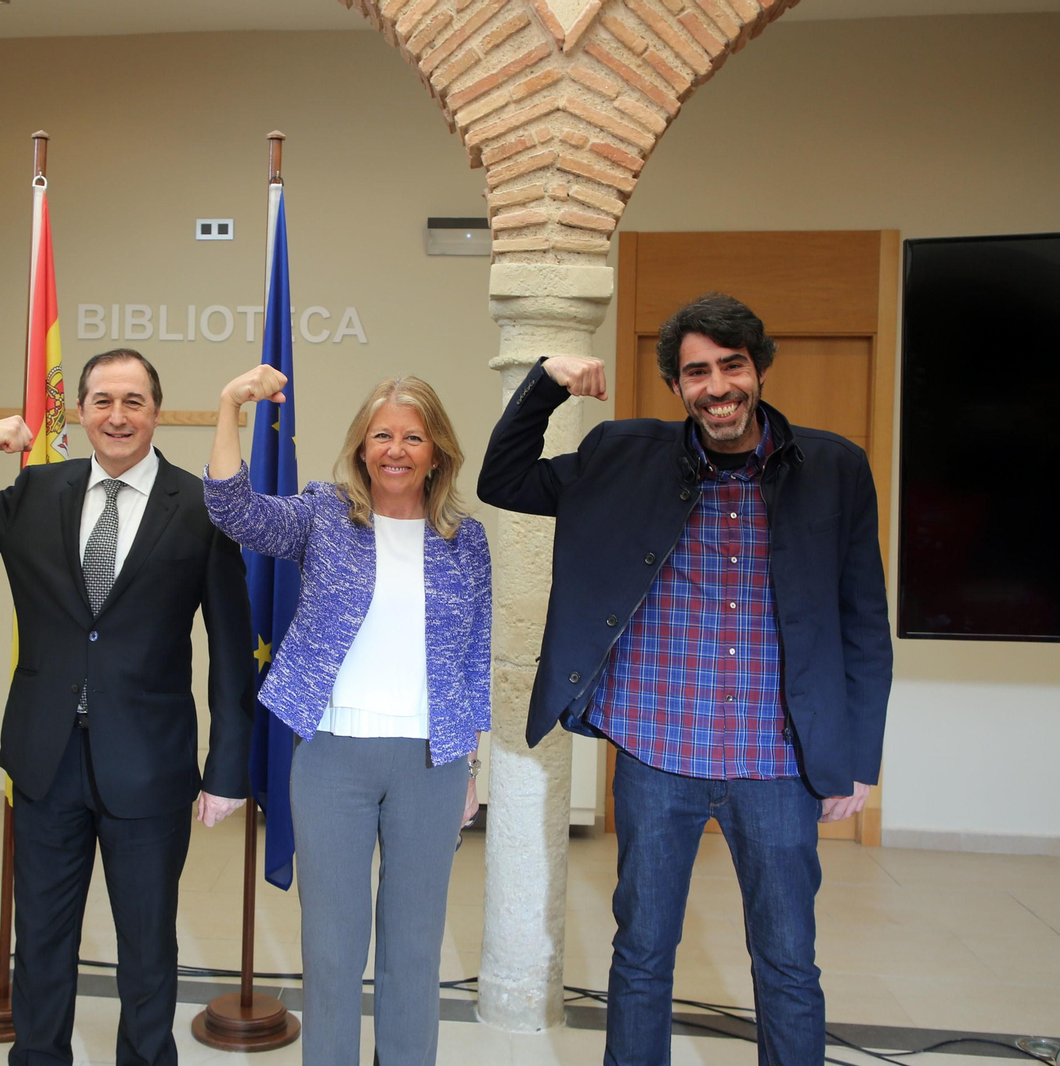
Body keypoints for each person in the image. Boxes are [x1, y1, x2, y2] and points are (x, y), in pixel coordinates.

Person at [478, 293, 892, 1065]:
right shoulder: (621, 455)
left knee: (788, 963)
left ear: (759, 369)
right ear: (676, 385)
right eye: (697, 372)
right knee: (641, 954)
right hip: (656, 752)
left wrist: (859, 758)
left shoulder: (835, 467)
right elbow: (503, 481)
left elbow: (864, 620)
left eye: (732, 366)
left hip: (777, 761)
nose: (717, 386)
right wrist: (546, 382)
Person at [0, 347, 253, 1066]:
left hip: (149, 767)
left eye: (133, 401)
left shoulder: (200, 508)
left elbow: (231, 648)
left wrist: (227, 769)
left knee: (147, 948)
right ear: (80, 412)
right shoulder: (36, 491)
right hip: (44, 761)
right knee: (42, 941)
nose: (117, 416)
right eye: (102, 401)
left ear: (156, 412)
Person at [202, 366, 491, 1066]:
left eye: (413, 437)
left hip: (432, 763)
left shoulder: (467, 539)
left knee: (414, 950)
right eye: (381, 435)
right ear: (362, 447)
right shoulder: (325, 515)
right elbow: (234, 511)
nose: (396, 449)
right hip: (332, 758)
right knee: (332, 949)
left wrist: (471, 766)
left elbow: (474, 657)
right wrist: (230, 405)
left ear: (437, 452)